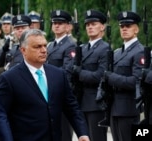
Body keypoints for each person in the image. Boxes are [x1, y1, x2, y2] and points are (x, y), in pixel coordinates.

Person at [0, 28, 90, 141]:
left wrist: (82, 133)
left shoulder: (58, 74)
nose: (44, 50)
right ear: (23, 50)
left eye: (45, 45)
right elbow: (0, 117)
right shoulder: (9, 79)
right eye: (37, 47)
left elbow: (72, 107)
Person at [105, 11, 144, 141]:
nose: (124, 29)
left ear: (136, 29)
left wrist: (111, 78)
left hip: (128, 109)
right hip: (114, 108)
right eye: (122, 26)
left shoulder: (140, 52)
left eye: (128, 26)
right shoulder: (116, 53)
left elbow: (137, 81)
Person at [73, 9, 109, 141]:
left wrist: (79, 73)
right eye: (88, 25)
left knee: (96, 138)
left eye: (94, 24)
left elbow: (100, 75)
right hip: (81, 101)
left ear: (102, 27)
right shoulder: (82, 48)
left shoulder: (105, 48)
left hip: (95, 103)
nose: (90, 27)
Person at [47, 9, 77, 141]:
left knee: (63, 133)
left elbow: (67, 73)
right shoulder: (49, 45)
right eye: (54, 23)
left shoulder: (70, 45)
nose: (57, 25)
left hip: (60, 94)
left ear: (67, 26)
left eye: (60, 23)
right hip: (47, 93)